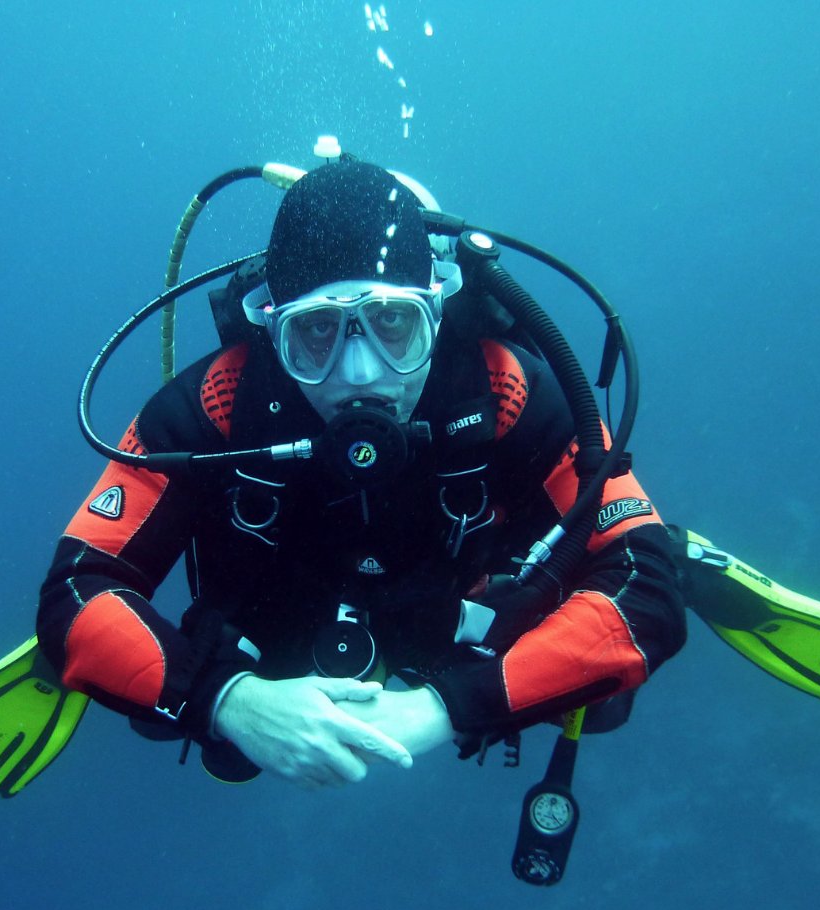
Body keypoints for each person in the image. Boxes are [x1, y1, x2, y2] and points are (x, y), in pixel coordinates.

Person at [34, 158, 689, 790]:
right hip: (280, 625)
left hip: (463, 613)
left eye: (393, 322)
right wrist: (227, 700)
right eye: (316, 333)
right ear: (272, 329)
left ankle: (691, 552)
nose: (359, 374)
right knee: (194, 730)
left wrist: (444, 708)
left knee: (599, 703)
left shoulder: (505, 387)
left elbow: (647, 586)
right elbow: (75, 586)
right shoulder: (217, 405)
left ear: (436, 309)